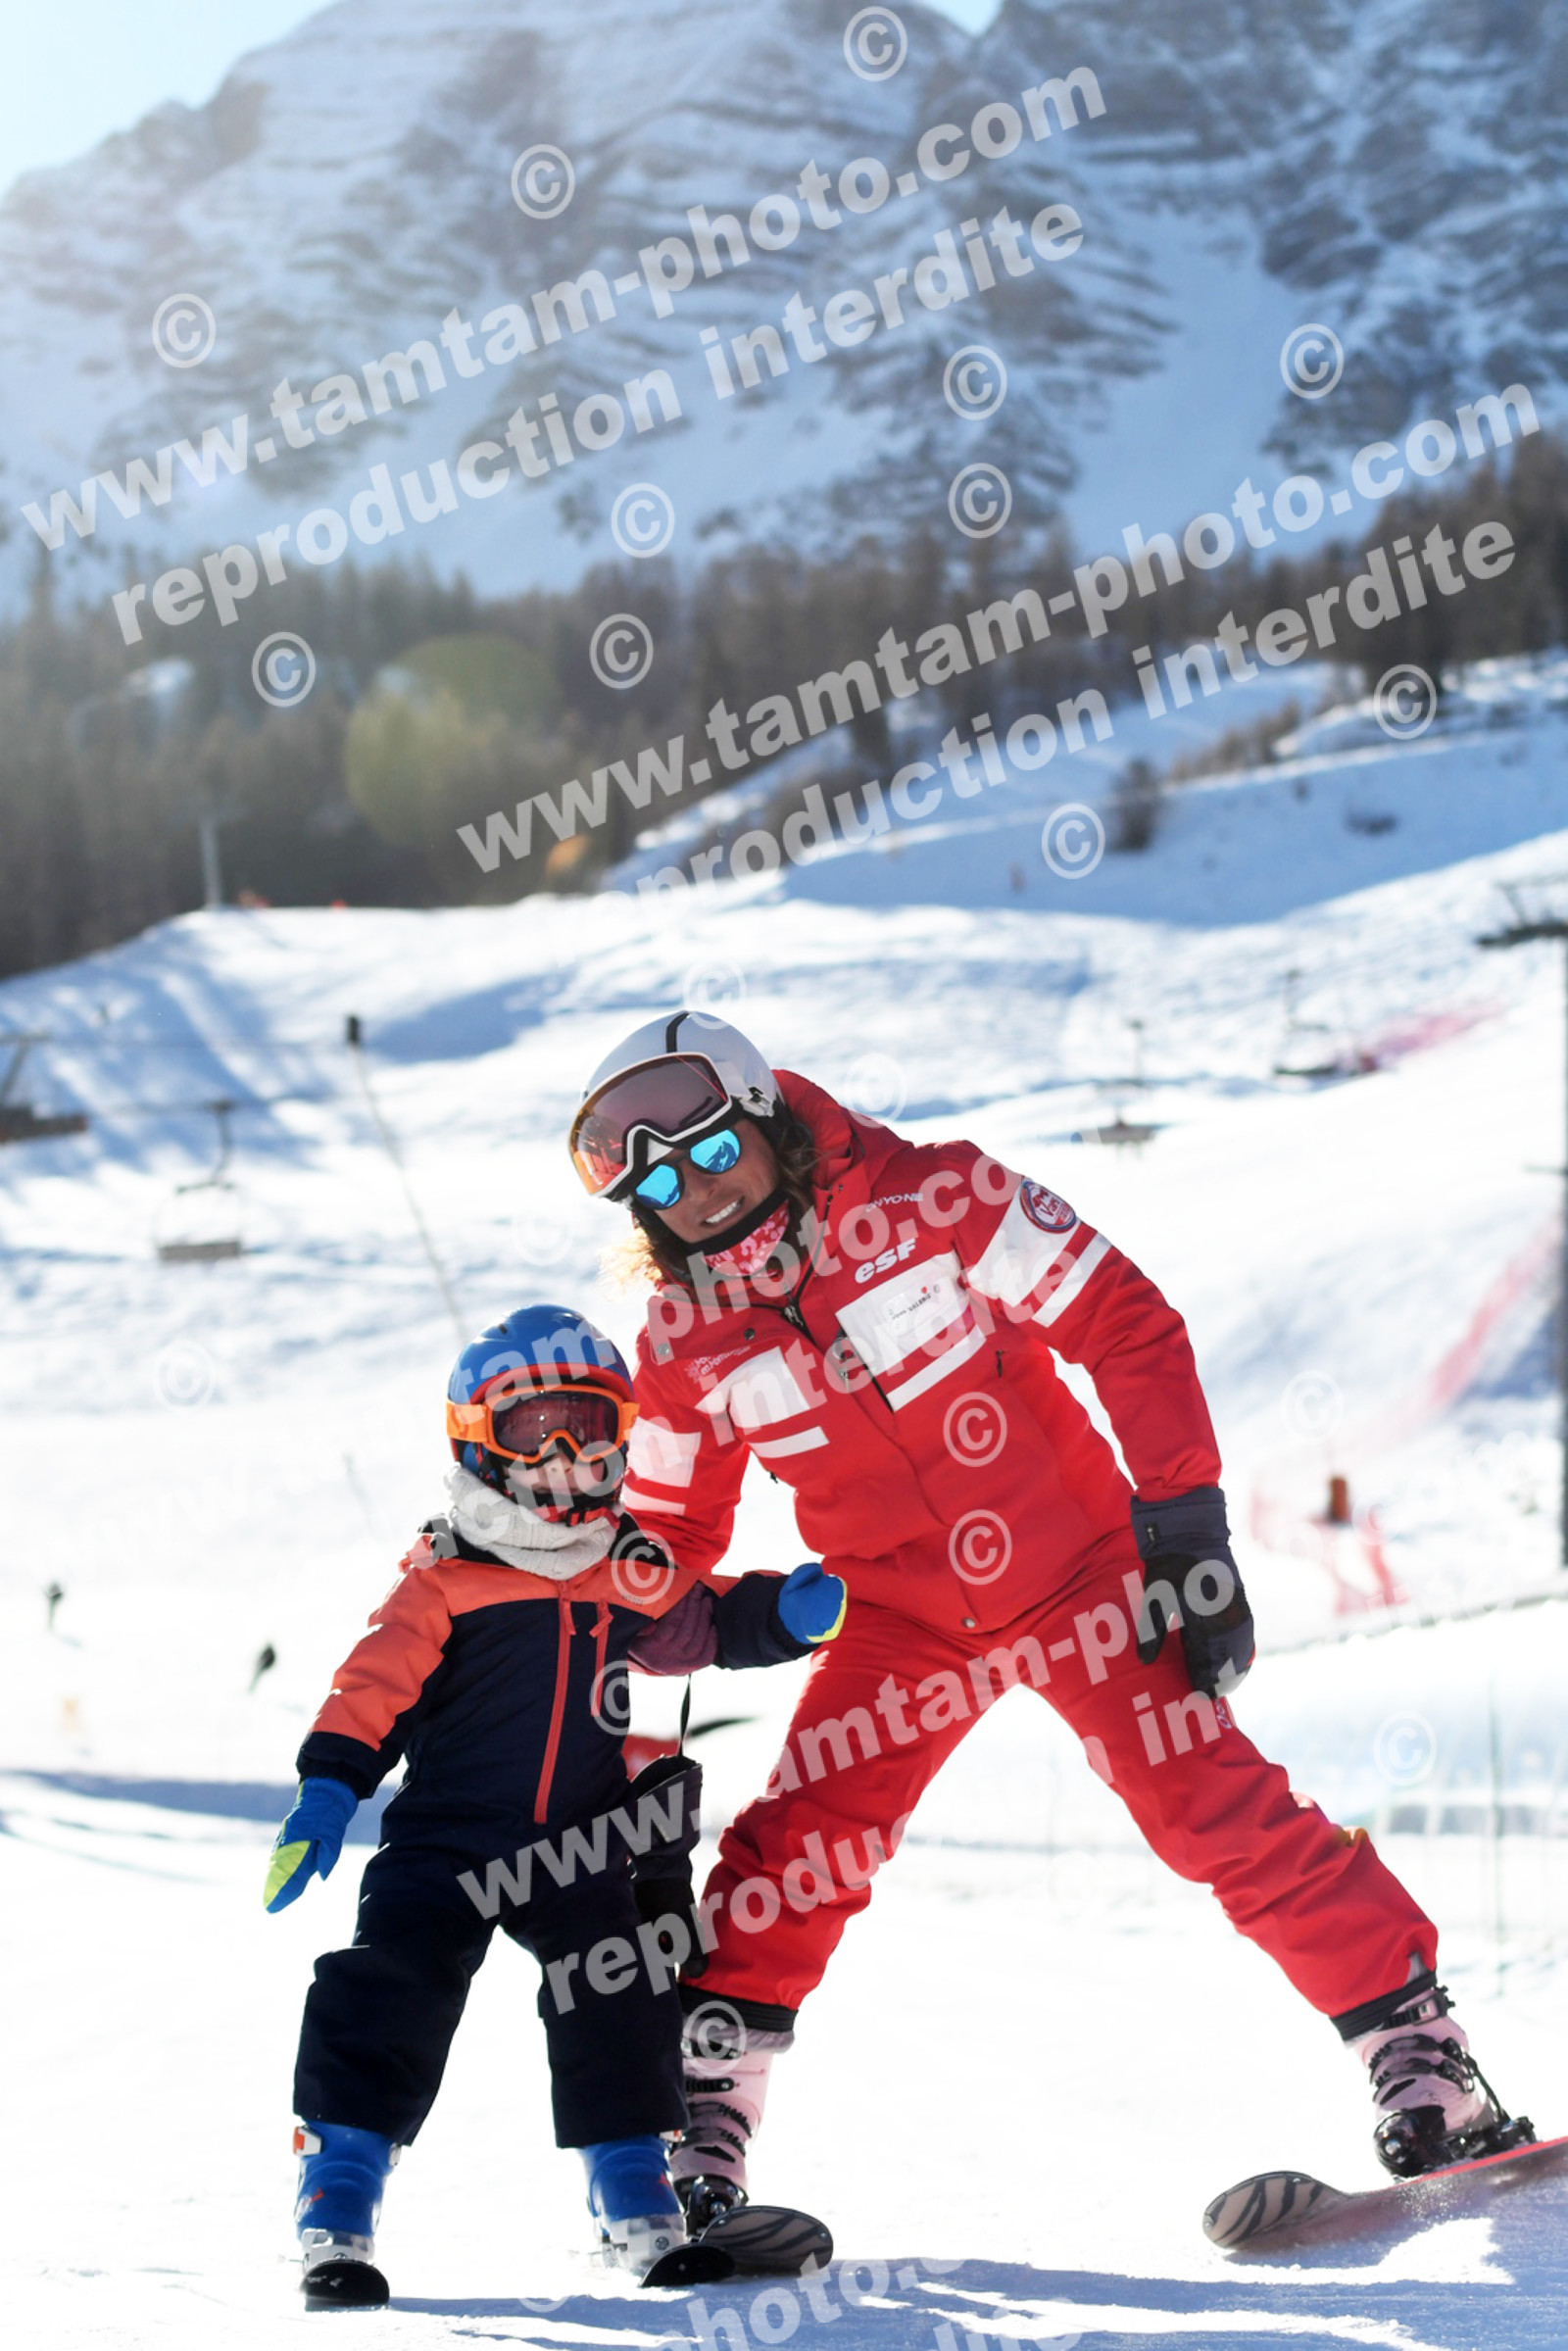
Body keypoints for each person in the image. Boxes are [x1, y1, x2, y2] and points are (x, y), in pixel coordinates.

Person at [567, 1012, 1532, 2227]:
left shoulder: (933, 1195)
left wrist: (1183, 1523)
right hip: (897, 1615)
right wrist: (600, 1673)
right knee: (796, 1848)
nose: (700, 1192)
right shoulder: (681, 1337)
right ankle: (700, 2129)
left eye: (712, 1152)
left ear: (764, 1118)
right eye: (660, 1184)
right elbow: (666, 1539)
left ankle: (1423, 2057)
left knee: (1204, 1798)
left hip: (1076, 1568)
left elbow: (1121, 1317)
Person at [263, 1301, 846, 2307]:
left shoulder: (624, 1564)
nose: (565, 1460)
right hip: (444, 1844)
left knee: (619, 1990)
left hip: (580, 1848)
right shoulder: (445, 1579)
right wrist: (328, 1786)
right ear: (478, 1441)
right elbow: (373, 1689)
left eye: (587, 1429)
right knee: (389, 1983)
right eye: (535, 1431)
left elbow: (700, 1622)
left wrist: (780, 1615)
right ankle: (339, 2194)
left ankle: (636, 2196)